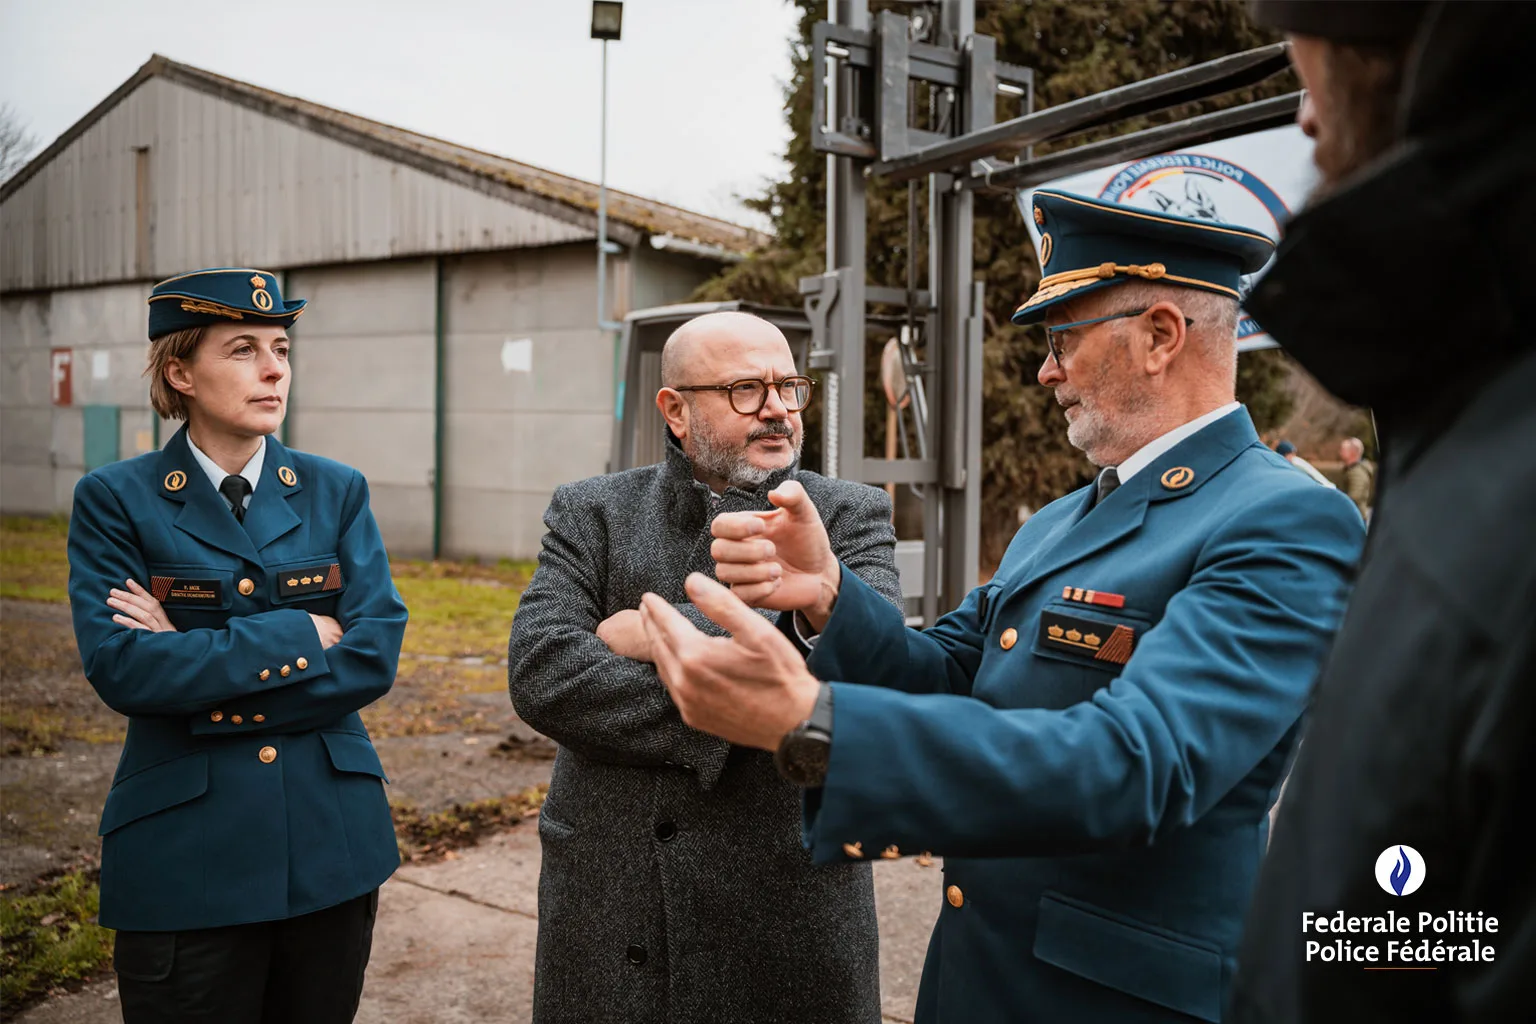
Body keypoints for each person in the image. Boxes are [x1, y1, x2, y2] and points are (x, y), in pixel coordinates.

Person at [636, 193, 1366, 1023]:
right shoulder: (1064, 519)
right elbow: (954, 670)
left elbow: (1138, 764)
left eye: (1062, 339)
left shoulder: (1285, 518)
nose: (1047, 371)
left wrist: (816, 723)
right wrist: (829, 593)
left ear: (1161, 336)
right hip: (978, 977)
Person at [1230, 2, 1536, 1021]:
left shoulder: (1493, 503)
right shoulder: (1468, 432)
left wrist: (830, 723)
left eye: (1310, 65)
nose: (1304, 116)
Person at [506, 311, 900, 1023]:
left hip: (786, 901)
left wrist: (650, 631)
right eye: (746, 389)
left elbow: (869, 675)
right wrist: (756, 686)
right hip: (613, 900)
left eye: (789, 386)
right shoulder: (593, 510)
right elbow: (544, 673)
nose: (778, 408)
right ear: (676, 410)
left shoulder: (851, 515)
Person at [67, 268, 407, 1023]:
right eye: (243, 349)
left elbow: (373, 652)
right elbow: (123, 668)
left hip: (330, 848)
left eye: (281, 348)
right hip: (186, 858)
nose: (273, 369)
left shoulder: (335, 490)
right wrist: (300, 632)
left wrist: (191, 669)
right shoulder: (116, 500)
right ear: (180, 372)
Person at [1339, 436, 1374, 518]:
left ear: (1352, 452)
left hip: (1354, 517)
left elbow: (1355, 496)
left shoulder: (1357, 472)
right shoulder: (1351, 470)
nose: (1340, 452)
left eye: (1343, 449)